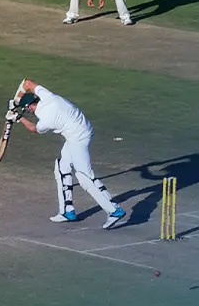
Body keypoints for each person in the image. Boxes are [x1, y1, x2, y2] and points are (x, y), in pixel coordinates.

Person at [7, 79, 126, 229]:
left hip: (78, 137)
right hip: (79, 130)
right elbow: (27, 83)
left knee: (84, 177)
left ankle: (114, 210)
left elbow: (34, 129)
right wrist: (17, 99)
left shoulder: (47, 119)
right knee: (62, 167)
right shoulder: (48, 96)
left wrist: (18, 118)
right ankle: (67, 211)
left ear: (29, 108)